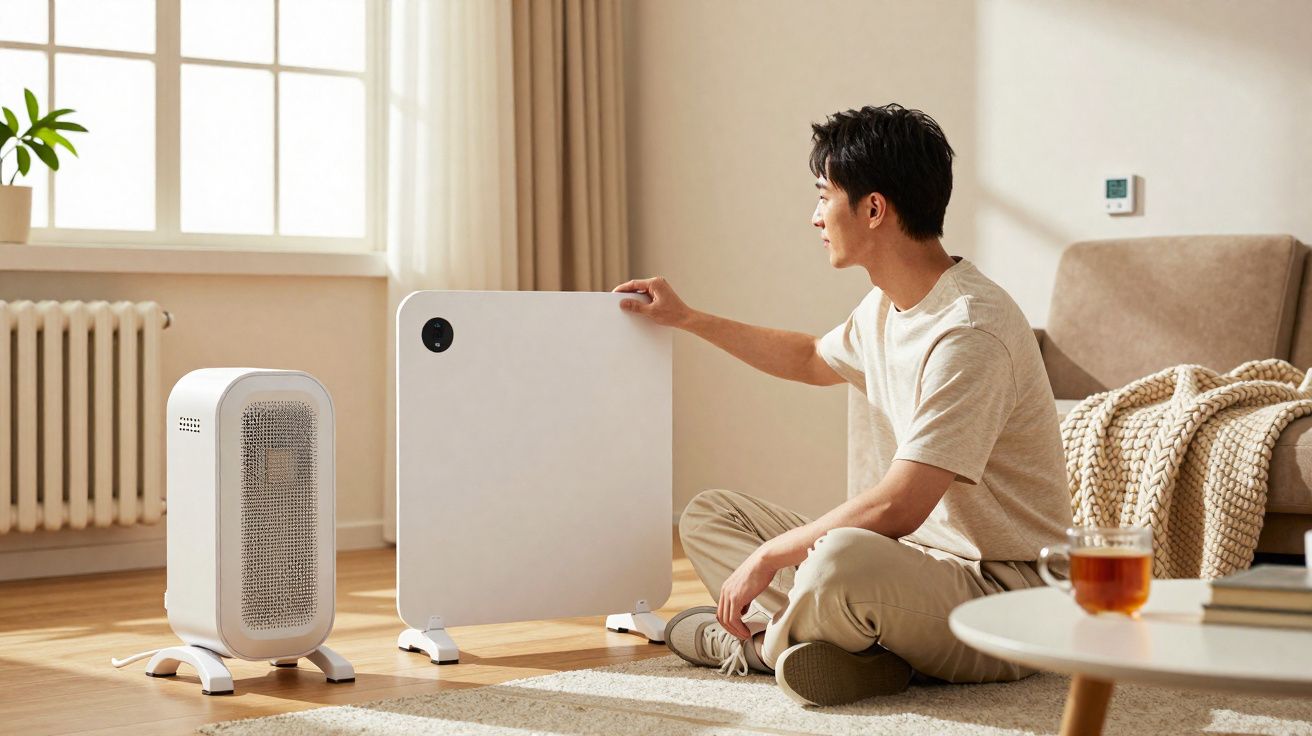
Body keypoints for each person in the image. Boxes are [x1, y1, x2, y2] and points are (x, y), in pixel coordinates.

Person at [613, 104, 1071, 707]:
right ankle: (858, 652)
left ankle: (753, 649)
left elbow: (900, 505)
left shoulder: (968, 330)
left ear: (874, 209)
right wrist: (687, 318)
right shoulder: (885, 307)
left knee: (839, 557)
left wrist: (772, 556)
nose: (814, 217)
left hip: (1006, 599)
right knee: (710, 515)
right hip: (912, 570)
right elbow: (809, 358)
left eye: (824, 195)